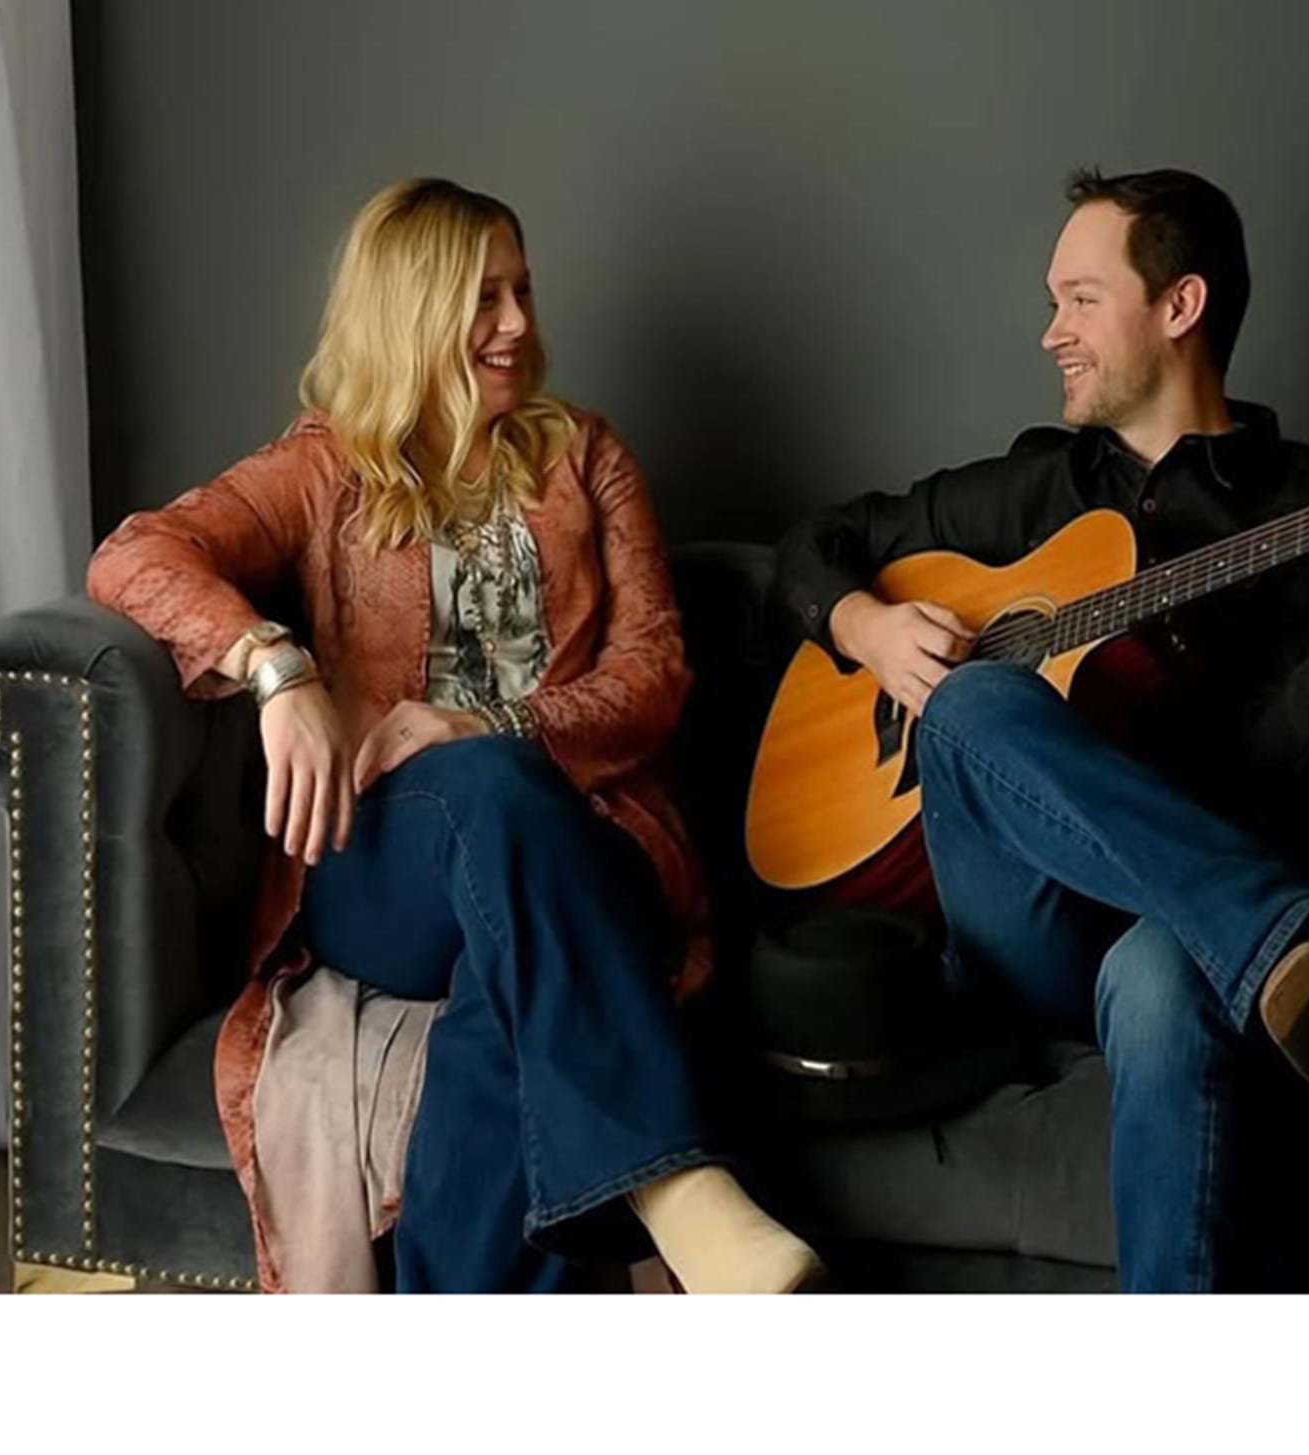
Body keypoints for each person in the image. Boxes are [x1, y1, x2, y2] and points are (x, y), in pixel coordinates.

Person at [88, 177, 819, 1294]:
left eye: (522, 290)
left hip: (587, 843)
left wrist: (488, 720)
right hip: (387, 864)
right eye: (484, 298)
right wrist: (276, 668)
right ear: (412, 310)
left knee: (504, 993)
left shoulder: (584, 457)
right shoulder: (325, 469)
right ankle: (677, 1187)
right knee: (486, 789)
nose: (518, 322)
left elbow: (654, 675)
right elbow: (135, 555)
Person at [770, 167, 1309, 1292]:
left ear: (1179, 306)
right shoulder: (1034, 488)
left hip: (1177, 946)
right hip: (1021, 933)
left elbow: (1297, 802)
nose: (1052, 332)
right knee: (970, 700)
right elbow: (815, 544)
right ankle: (1296, 940)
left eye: (1081, 301)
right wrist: (866, 626)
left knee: (1164, 974)